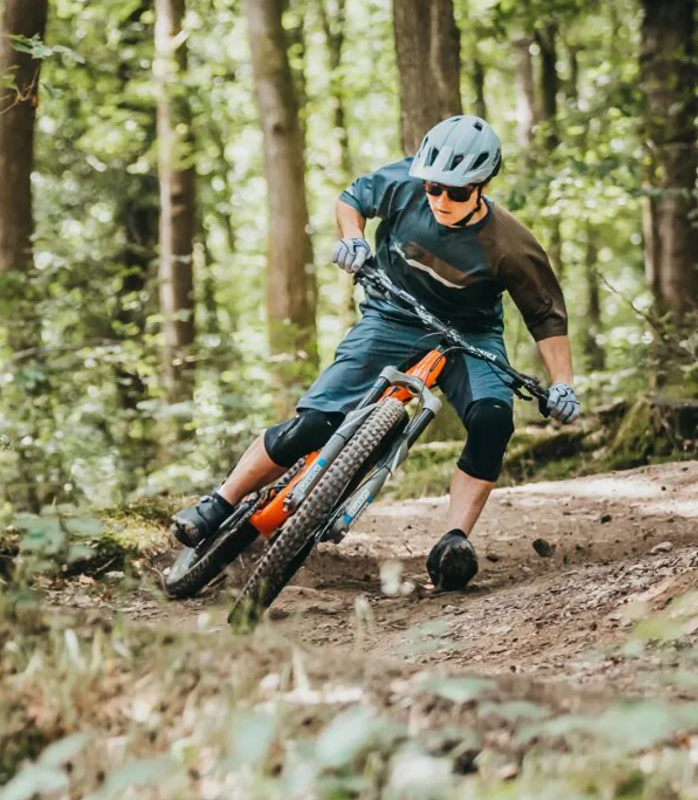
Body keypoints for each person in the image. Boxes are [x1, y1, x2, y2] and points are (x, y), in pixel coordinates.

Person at [171, 115, 581, 592]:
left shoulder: (510, 243)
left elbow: (546, 315)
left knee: (493, 419)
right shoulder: (404, 186)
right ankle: (220, 502)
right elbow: (352, 200)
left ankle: (453, 541)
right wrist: (353, 238)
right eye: (433, 187)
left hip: (467, 336)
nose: (441, 199)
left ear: (482, 185)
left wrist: (564, 383)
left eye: (457, 191)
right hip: (390, 316)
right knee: (313, 424)